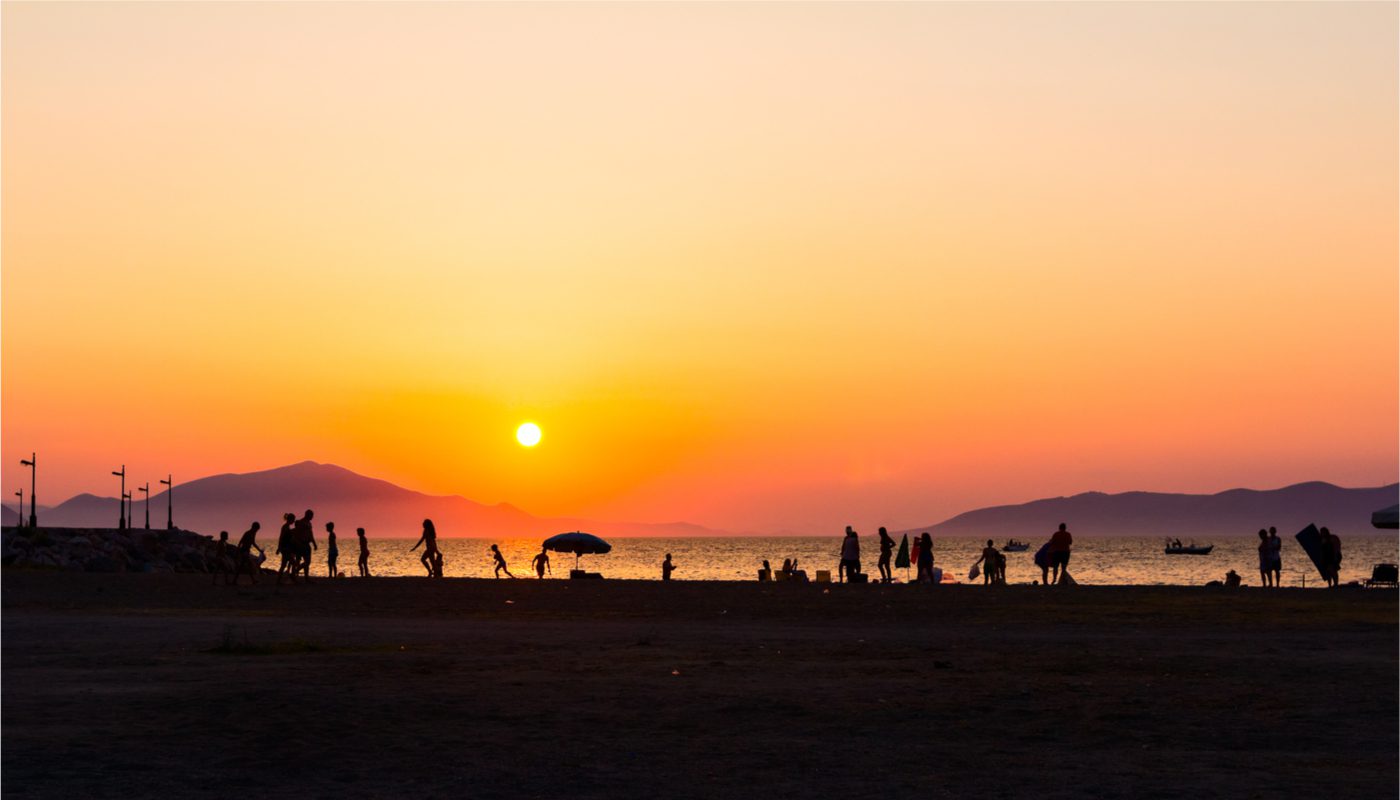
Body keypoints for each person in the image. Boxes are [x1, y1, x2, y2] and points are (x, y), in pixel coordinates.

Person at [293, 509, 317, 580]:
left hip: (307, 544)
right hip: (301, 544)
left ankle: (306, 577)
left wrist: (314, 543)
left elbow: (311, 534)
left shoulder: (309, 523)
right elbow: (297, 534)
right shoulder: (301, 522)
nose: (312, 517)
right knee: (302, 561)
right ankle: (295, 571)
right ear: (307, 515)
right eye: (311, 516)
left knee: (308, 562)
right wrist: (298, 543)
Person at [276, 512, 298, 585]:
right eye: (293, 519)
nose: (293, 521)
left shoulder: (287, 527)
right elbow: (281, 537)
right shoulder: (285, 527)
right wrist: (279, 548)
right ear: (290, 519)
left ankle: (279, 581)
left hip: (286, 548)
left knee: (283, 565)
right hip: (285, 549)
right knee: (293, 563)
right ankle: (293, 579)